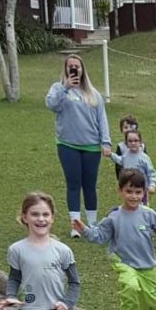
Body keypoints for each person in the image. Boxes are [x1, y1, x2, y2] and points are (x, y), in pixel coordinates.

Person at [74, 169, 156, 310]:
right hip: (123, 261)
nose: (133, 196)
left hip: (147, 265)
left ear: (143, 193)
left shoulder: (148, 214)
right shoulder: (114, 217)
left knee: (150, 301)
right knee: (130, 286)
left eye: (138, 192)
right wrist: (84, 229)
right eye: (129, 191)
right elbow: (99, 236)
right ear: (119, 191)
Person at [44, 54, 111, 239]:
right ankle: (75, 224)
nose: (74, 69)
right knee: (73, 184)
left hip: (91, 146)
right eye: (71, 66)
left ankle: (91, 223)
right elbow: (50, 104)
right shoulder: (58, 89)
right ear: (65, 69)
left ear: (83, 69)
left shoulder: (93, 94)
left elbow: (102, 119)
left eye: (77, 66)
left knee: (89, 185)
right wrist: (65, 88)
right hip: (68, 145)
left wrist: (105, 142)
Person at [110, 123, 156, 204]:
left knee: (142, 208)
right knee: (129, 206)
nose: (133, 143)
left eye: (136, 141)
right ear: (126, 143)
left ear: (140, 142)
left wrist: (152, 185)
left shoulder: (144, 157)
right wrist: (110, 154)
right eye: (130, 141)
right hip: (128, 187)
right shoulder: (126, 154)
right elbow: (120, 160)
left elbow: (151, 172)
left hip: (140, 189)